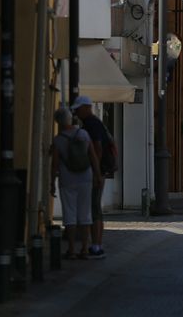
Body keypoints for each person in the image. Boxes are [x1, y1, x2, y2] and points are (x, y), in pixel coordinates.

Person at [50, 107, 98, 260]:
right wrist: (98, 175)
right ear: (70, 119)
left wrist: (52, 182)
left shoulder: (58, 140)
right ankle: (84, 248)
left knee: (69, 215)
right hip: (86, 178)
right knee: (85, 214)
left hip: (67, 180)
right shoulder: (83, 134)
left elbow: (55, 164)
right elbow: (93, 156)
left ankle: (71, 249)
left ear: (58, 122)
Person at [72, 96, 112, 259]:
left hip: (96, 172)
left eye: (78, 108)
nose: (76, 112)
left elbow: (97, 148)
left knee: (94, 208)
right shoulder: (95, 123)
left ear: (87, 108)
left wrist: (97, 172)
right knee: (93, 208)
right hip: (98, 171)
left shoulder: (91, 124)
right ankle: (94, 244)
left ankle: (96, 246)